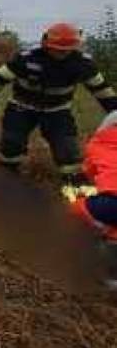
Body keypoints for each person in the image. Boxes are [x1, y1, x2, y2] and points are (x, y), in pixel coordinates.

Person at [0, 22, 117, 183]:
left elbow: (101, 90)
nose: (61, 53)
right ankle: (7, 177)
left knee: (67, 148)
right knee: (12, 142)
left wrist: (114, 111)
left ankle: (73, 185)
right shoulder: (26, 58)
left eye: (65, 50)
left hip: (57, 111)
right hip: (21, 107)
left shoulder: (82, 64)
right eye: (58, 49)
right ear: (46, 43)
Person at [65, 111, 117, 288]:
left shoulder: (99, 145)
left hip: (111, 203)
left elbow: (87, 174)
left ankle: (84, 258)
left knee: (74, 211)